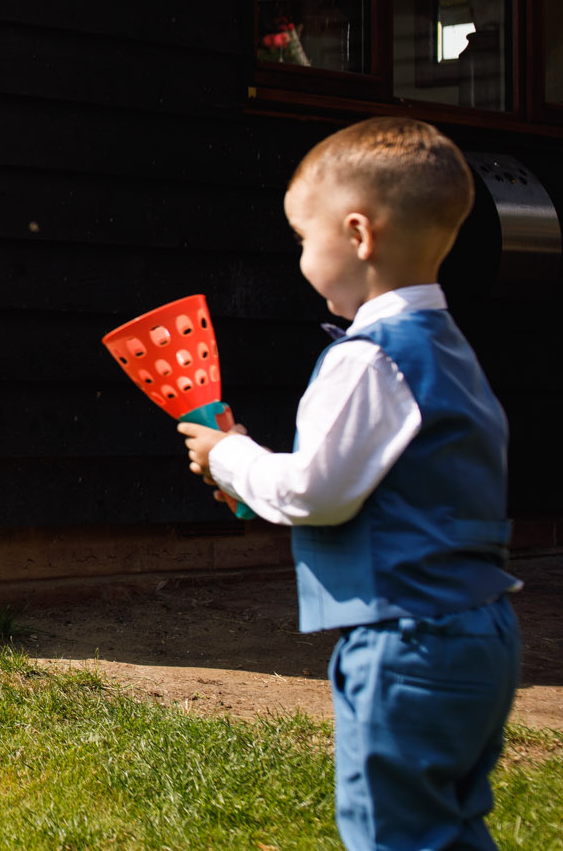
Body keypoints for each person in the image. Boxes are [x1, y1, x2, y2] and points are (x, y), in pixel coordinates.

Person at [181, 117, 519, 851]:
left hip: (406, 642)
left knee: (394, 833)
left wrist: (231, 456)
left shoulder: (368, 357)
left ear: (359, 234)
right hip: (481, 634)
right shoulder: (450, 353)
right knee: (450, 826)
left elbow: (315, 492)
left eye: (305, 238)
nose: (301, 258)